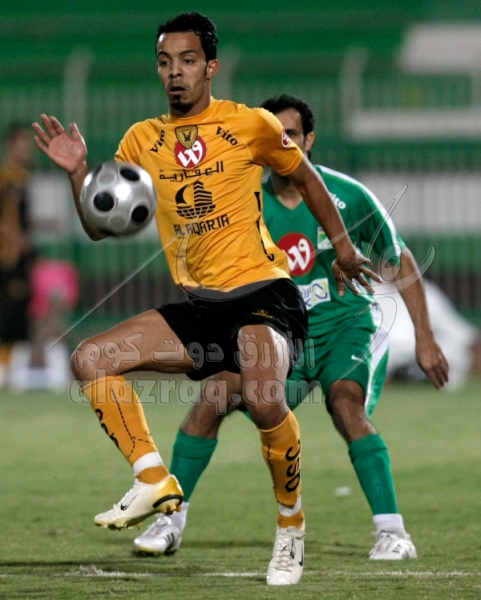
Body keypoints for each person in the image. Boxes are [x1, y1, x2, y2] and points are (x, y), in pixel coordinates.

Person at [32, 15, 377, 586]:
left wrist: (342, 247)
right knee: (90, 359)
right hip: (201, 307)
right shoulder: (142, 139)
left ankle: (290, 527)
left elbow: (308, 179)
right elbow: (98, 227)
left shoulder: (250, 124)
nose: (175, 72)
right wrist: (78, 175)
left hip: (265, 294)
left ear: (210, 67)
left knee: (264, 400)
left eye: (188, 61)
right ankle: (152, 479)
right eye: (165, 62)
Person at [132, 94, 449, 561]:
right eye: (276, 134)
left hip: (344, 326)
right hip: (279, 334)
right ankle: (170, 521)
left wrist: (425, 338)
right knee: (214, 397)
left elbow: (399, 259)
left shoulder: (347, 195)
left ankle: (393, 532)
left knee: (345, 404)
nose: (285, 143)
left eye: (293, 135)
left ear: (309, 140)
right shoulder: (245, 200)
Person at [0, 124, 35, 388]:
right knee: (8, 312)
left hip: (19, 256)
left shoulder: (23, 178)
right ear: (11, 146)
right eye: (21, 144)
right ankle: (3, 368)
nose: (26, 149)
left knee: (18, 314)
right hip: (7, 256)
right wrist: (16, 240)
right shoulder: (6, 179)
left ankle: (11, 369)